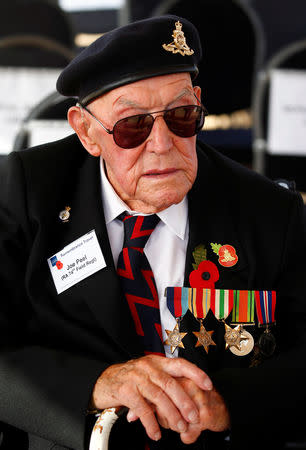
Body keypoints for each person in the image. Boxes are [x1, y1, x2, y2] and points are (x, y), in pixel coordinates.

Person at [0, 14, 306, 450]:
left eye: (182, 115)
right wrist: (100, 383)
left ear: (199, 103)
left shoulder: (270, 213)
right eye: (133, 125)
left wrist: (227, 403)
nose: (162, 143)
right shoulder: (25, 194)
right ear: (87, 131)